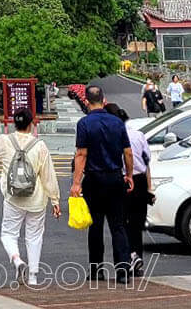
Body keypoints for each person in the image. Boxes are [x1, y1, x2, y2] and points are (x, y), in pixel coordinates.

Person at [0, 109, 61, 287]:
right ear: (32, 123)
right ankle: (33, 278)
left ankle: (17, 260)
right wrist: (55, 200)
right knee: (34, 237)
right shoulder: (40, 145)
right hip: (37, 199)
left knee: (8, 234)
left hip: (13, 197)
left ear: (13, 123)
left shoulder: (4, 141)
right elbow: (48, 175)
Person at [68, 85, 135, 282]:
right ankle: (123, 271)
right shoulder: (117, 122)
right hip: (115, 177)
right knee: (118, 226)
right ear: (103, 100)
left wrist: (76, 182)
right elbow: (128, 152)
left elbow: (81, 154)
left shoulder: (84, 124)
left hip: (94, 179)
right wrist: (129, 174)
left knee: (95, 226)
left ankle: (97, 270)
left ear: (87, 101)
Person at [111, 104, 152, 270]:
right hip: (140, 181)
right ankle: (137, 256)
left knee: (121, 222)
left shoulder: (113, 136)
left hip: (122, 179)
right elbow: (147, 161)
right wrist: (150, 188)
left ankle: (127, 258)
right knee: (136, 223)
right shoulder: (139, 135)